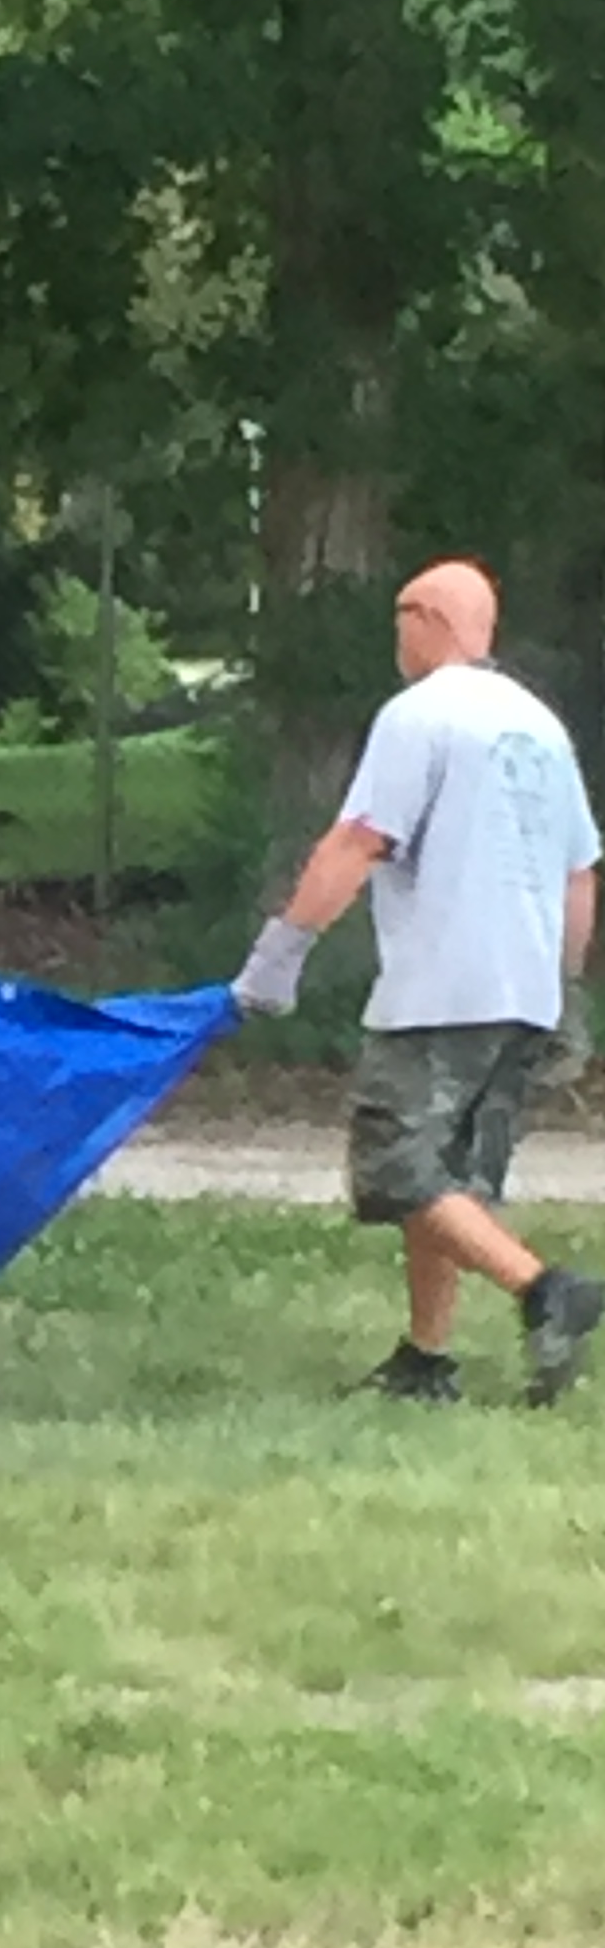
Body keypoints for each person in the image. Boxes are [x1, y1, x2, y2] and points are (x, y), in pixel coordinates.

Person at [234, 556, 603, 1405]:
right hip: (525, 989)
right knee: (453, 1180)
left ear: (428, 618)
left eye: (401, 618)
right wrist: (565, 988)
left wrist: (280, 953)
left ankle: (547, 1291)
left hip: (441, 987)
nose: (395, 637)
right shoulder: (541, 725)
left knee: (397, 1168)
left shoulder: (419, 715)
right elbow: (582, 871)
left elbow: (357, 840)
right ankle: (425, 1361)